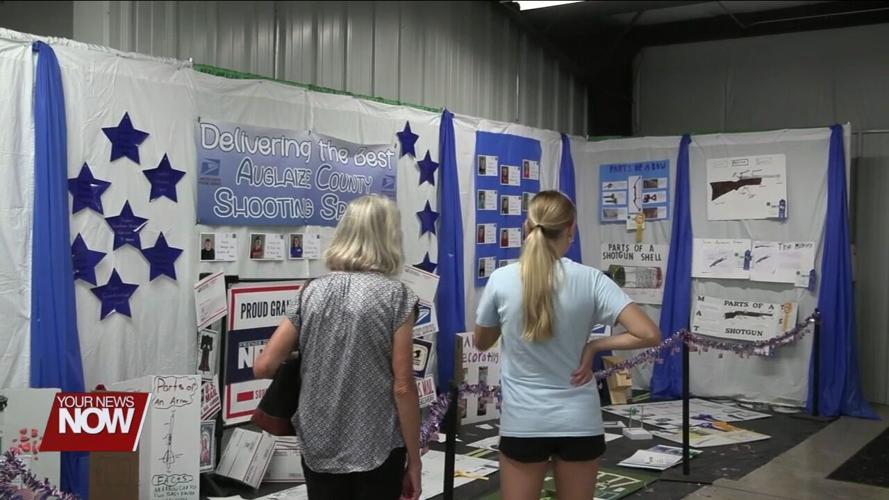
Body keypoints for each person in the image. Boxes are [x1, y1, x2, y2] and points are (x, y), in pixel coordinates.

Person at [474, 190, 660, 500]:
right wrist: (595, 346)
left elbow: (481, 342)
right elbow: (648, 333)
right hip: (579, 422)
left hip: (524, 423)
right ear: (570, 229)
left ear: (527, 228)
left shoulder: (501, 279)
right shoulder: (591, 280)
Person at [255, 195, 422, 500]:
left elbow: (264, 366)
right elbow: (402, 386)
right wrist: (416, 459)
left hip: (319, 438)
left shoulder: (310, 290)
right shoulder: (398, 297)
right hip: (377, 441)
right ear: (390, 237)